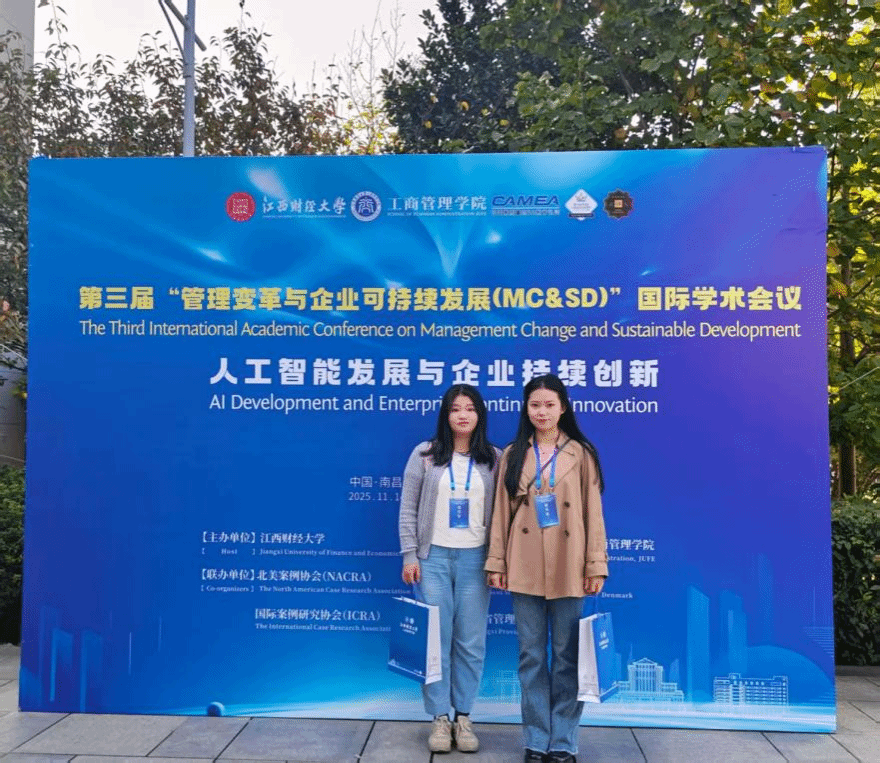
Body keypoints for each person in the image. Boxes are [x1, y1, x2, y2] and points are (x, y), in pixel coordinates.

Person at [485, 374, 608, 763]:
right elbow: (500, 514)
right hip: (524, 564)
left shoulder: (581, 454)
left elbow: (593, 513)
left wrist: (595, 565)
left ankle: (564, 742)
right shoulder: (512, 454)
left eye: (549, 405)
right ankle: (537, 740)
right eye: (534, 405)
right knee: (532, 657)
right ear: (526, 409)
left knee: (568, 657)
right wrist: (497, 561)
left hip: (570, 564)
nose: (541, 412)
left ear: (563, 408)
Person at [398, 384, 500, 754]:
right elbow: (408, 507)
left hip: (476, 560)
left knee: (471, 643)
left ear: (479, 415)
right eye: (455, 409)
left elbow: (502, 516)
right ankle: (439, 718)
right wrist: (410, 555)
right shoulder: (425, 454)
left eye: (470, 408)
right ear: (445, 414)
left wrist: (498, 560)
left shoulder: (493, 458)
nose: (462, 415)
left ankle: (464, 717)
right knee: (435, 642)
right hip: (432, 560)